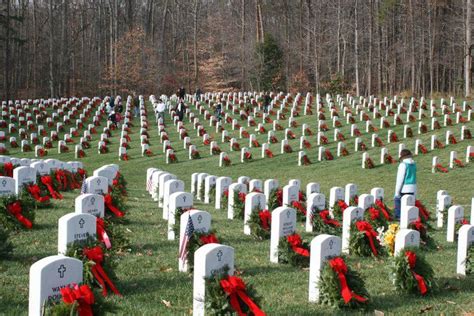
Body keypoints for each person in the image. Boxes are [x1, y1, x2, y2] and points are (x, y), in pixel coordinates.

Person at [393, 149, 417, 219]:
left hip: (404, 188)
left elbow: (400, 179)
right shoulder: (413, 164)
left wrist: (397, 192)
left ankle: (398, 216)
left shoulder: (403, 165)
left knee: (398, 203)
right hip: (412, 187)